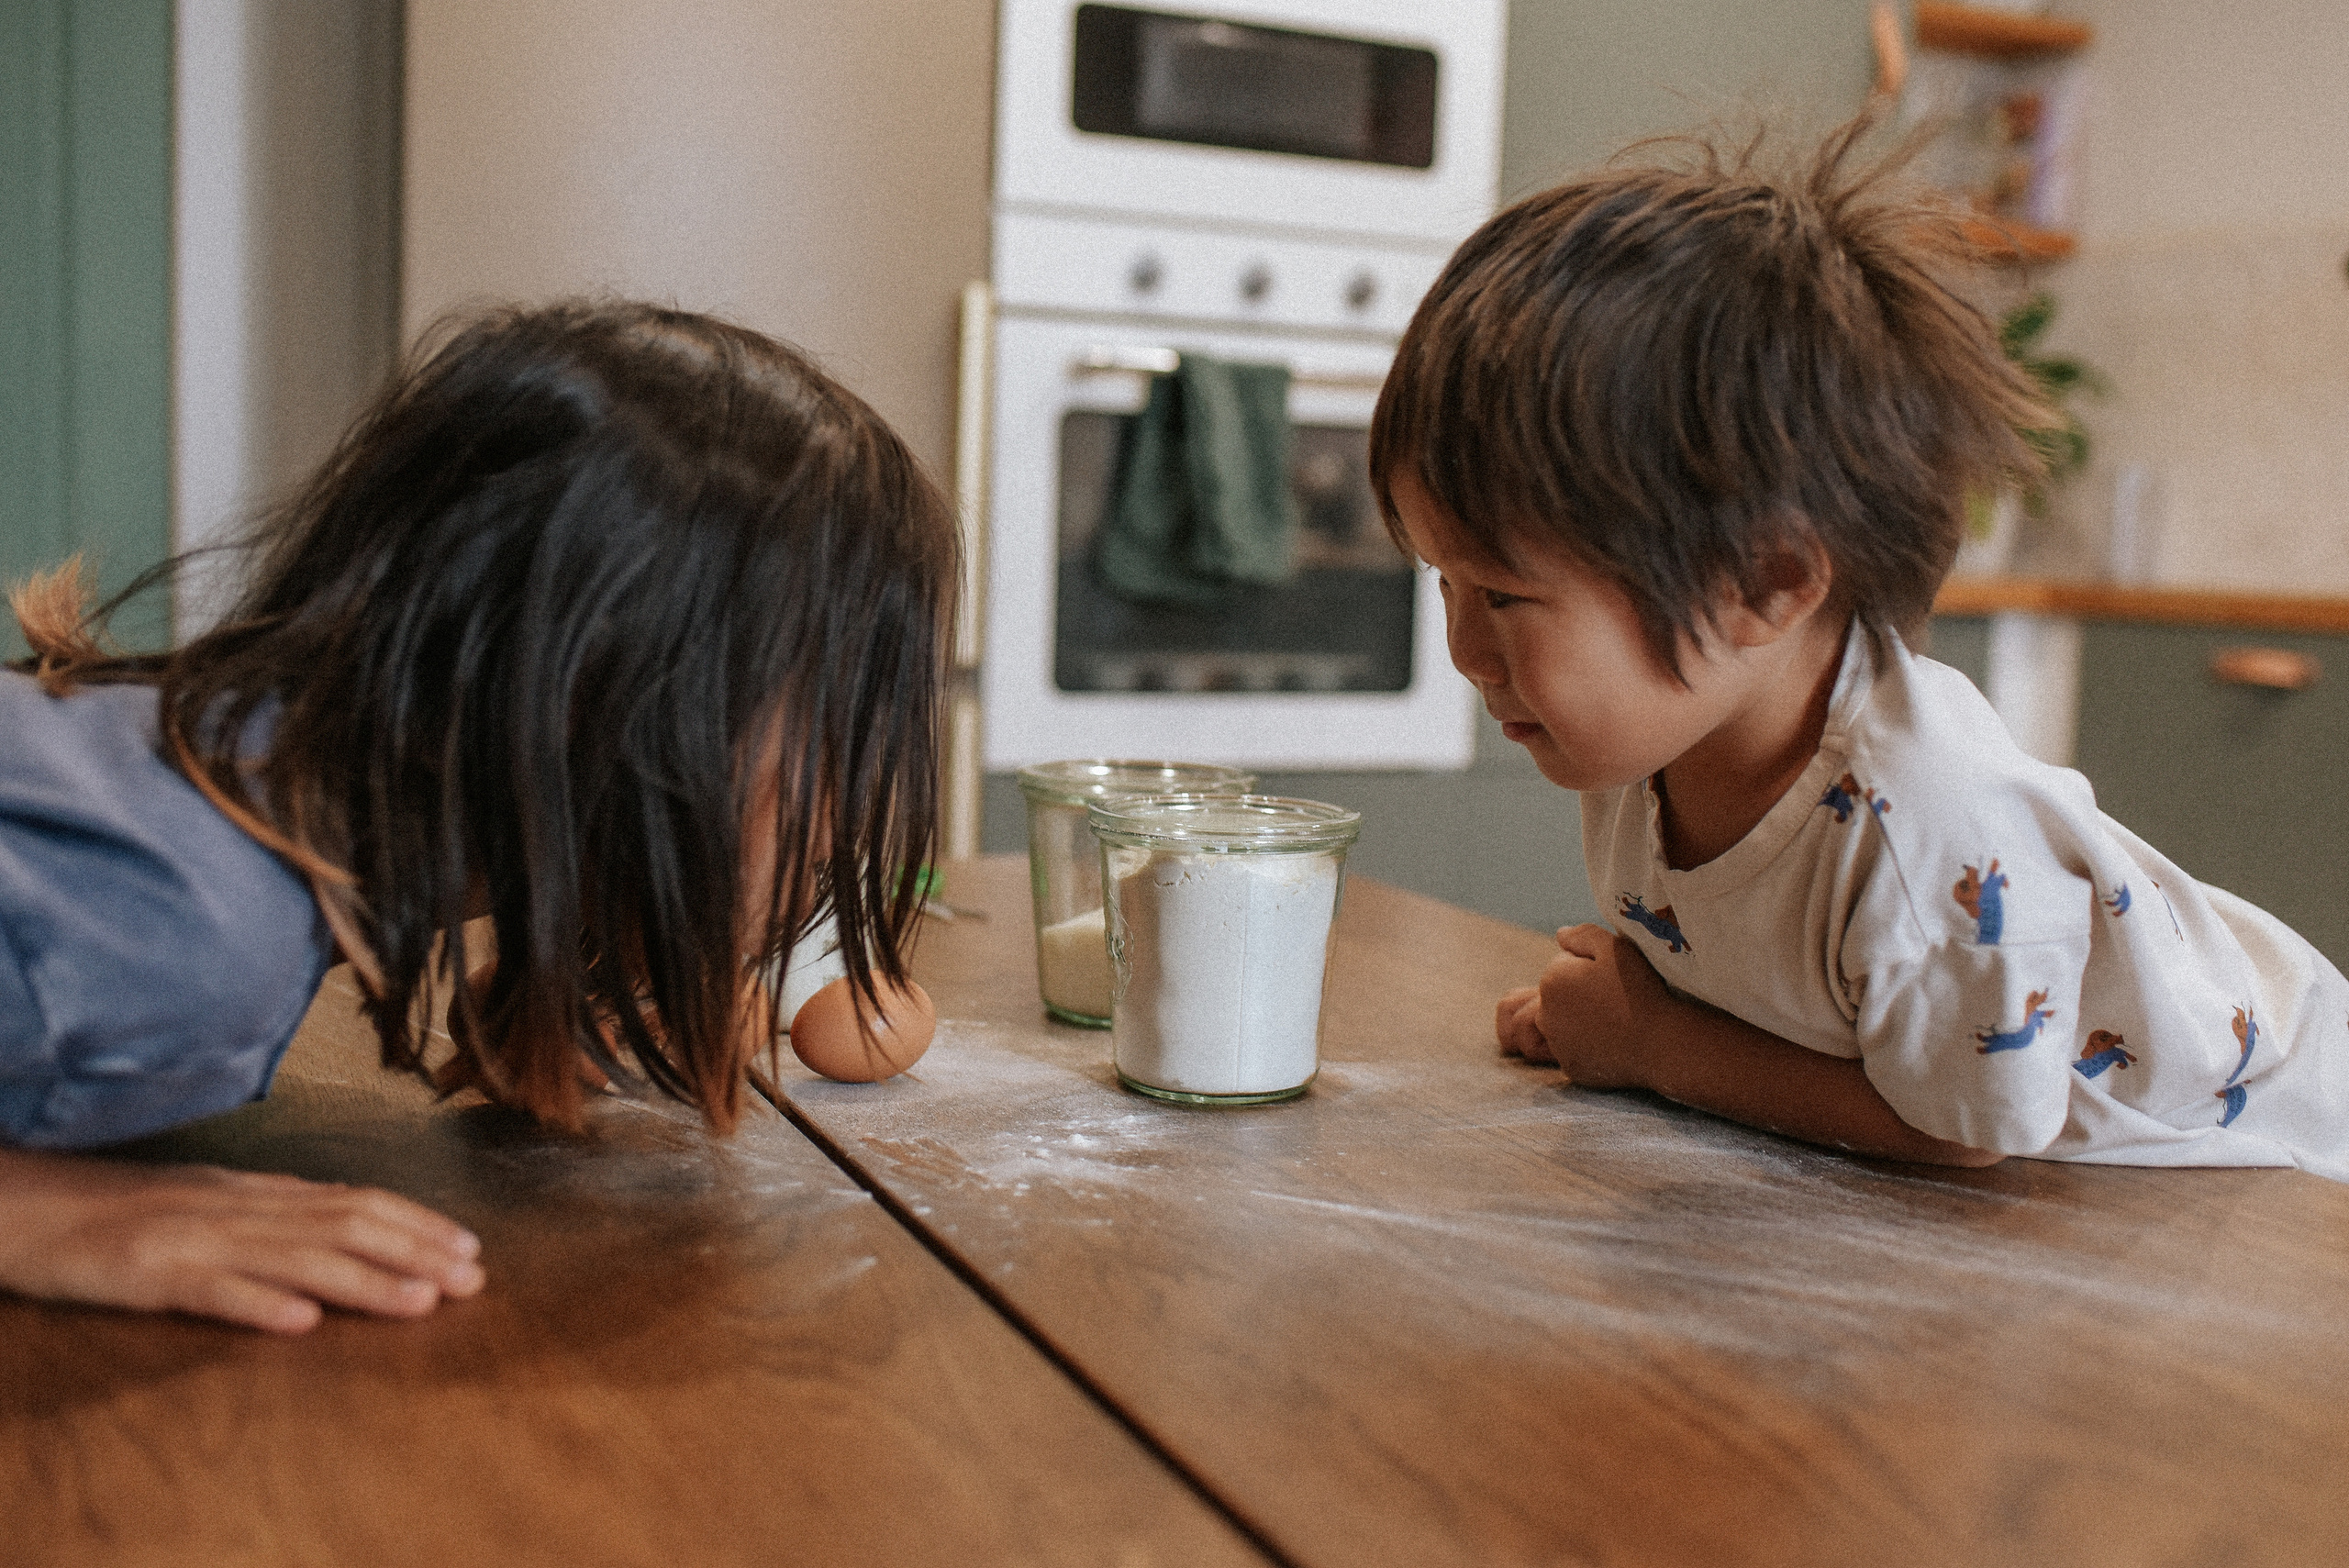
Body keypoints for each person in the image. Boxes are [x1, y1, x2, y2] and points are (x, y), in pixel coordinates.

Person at [1368, 117, 2349, 1183]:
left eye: (1505, 594)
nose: (1466, 648)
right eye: (1443, 579)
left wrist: (1657, 1047)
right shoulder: (1655, 730)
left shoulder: (1933, 824)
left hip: (2295, 1172)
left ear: (1766, 584)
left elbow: (1965, 1129)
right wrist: (1627, 1020)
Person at [0, 301, 958, 1329]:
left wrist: (560, 963)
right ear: (608, 710)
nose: (852, 807)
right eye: (840, 725)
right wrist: (37, 1214)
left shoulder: (260, 788)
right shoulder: (182, 920)